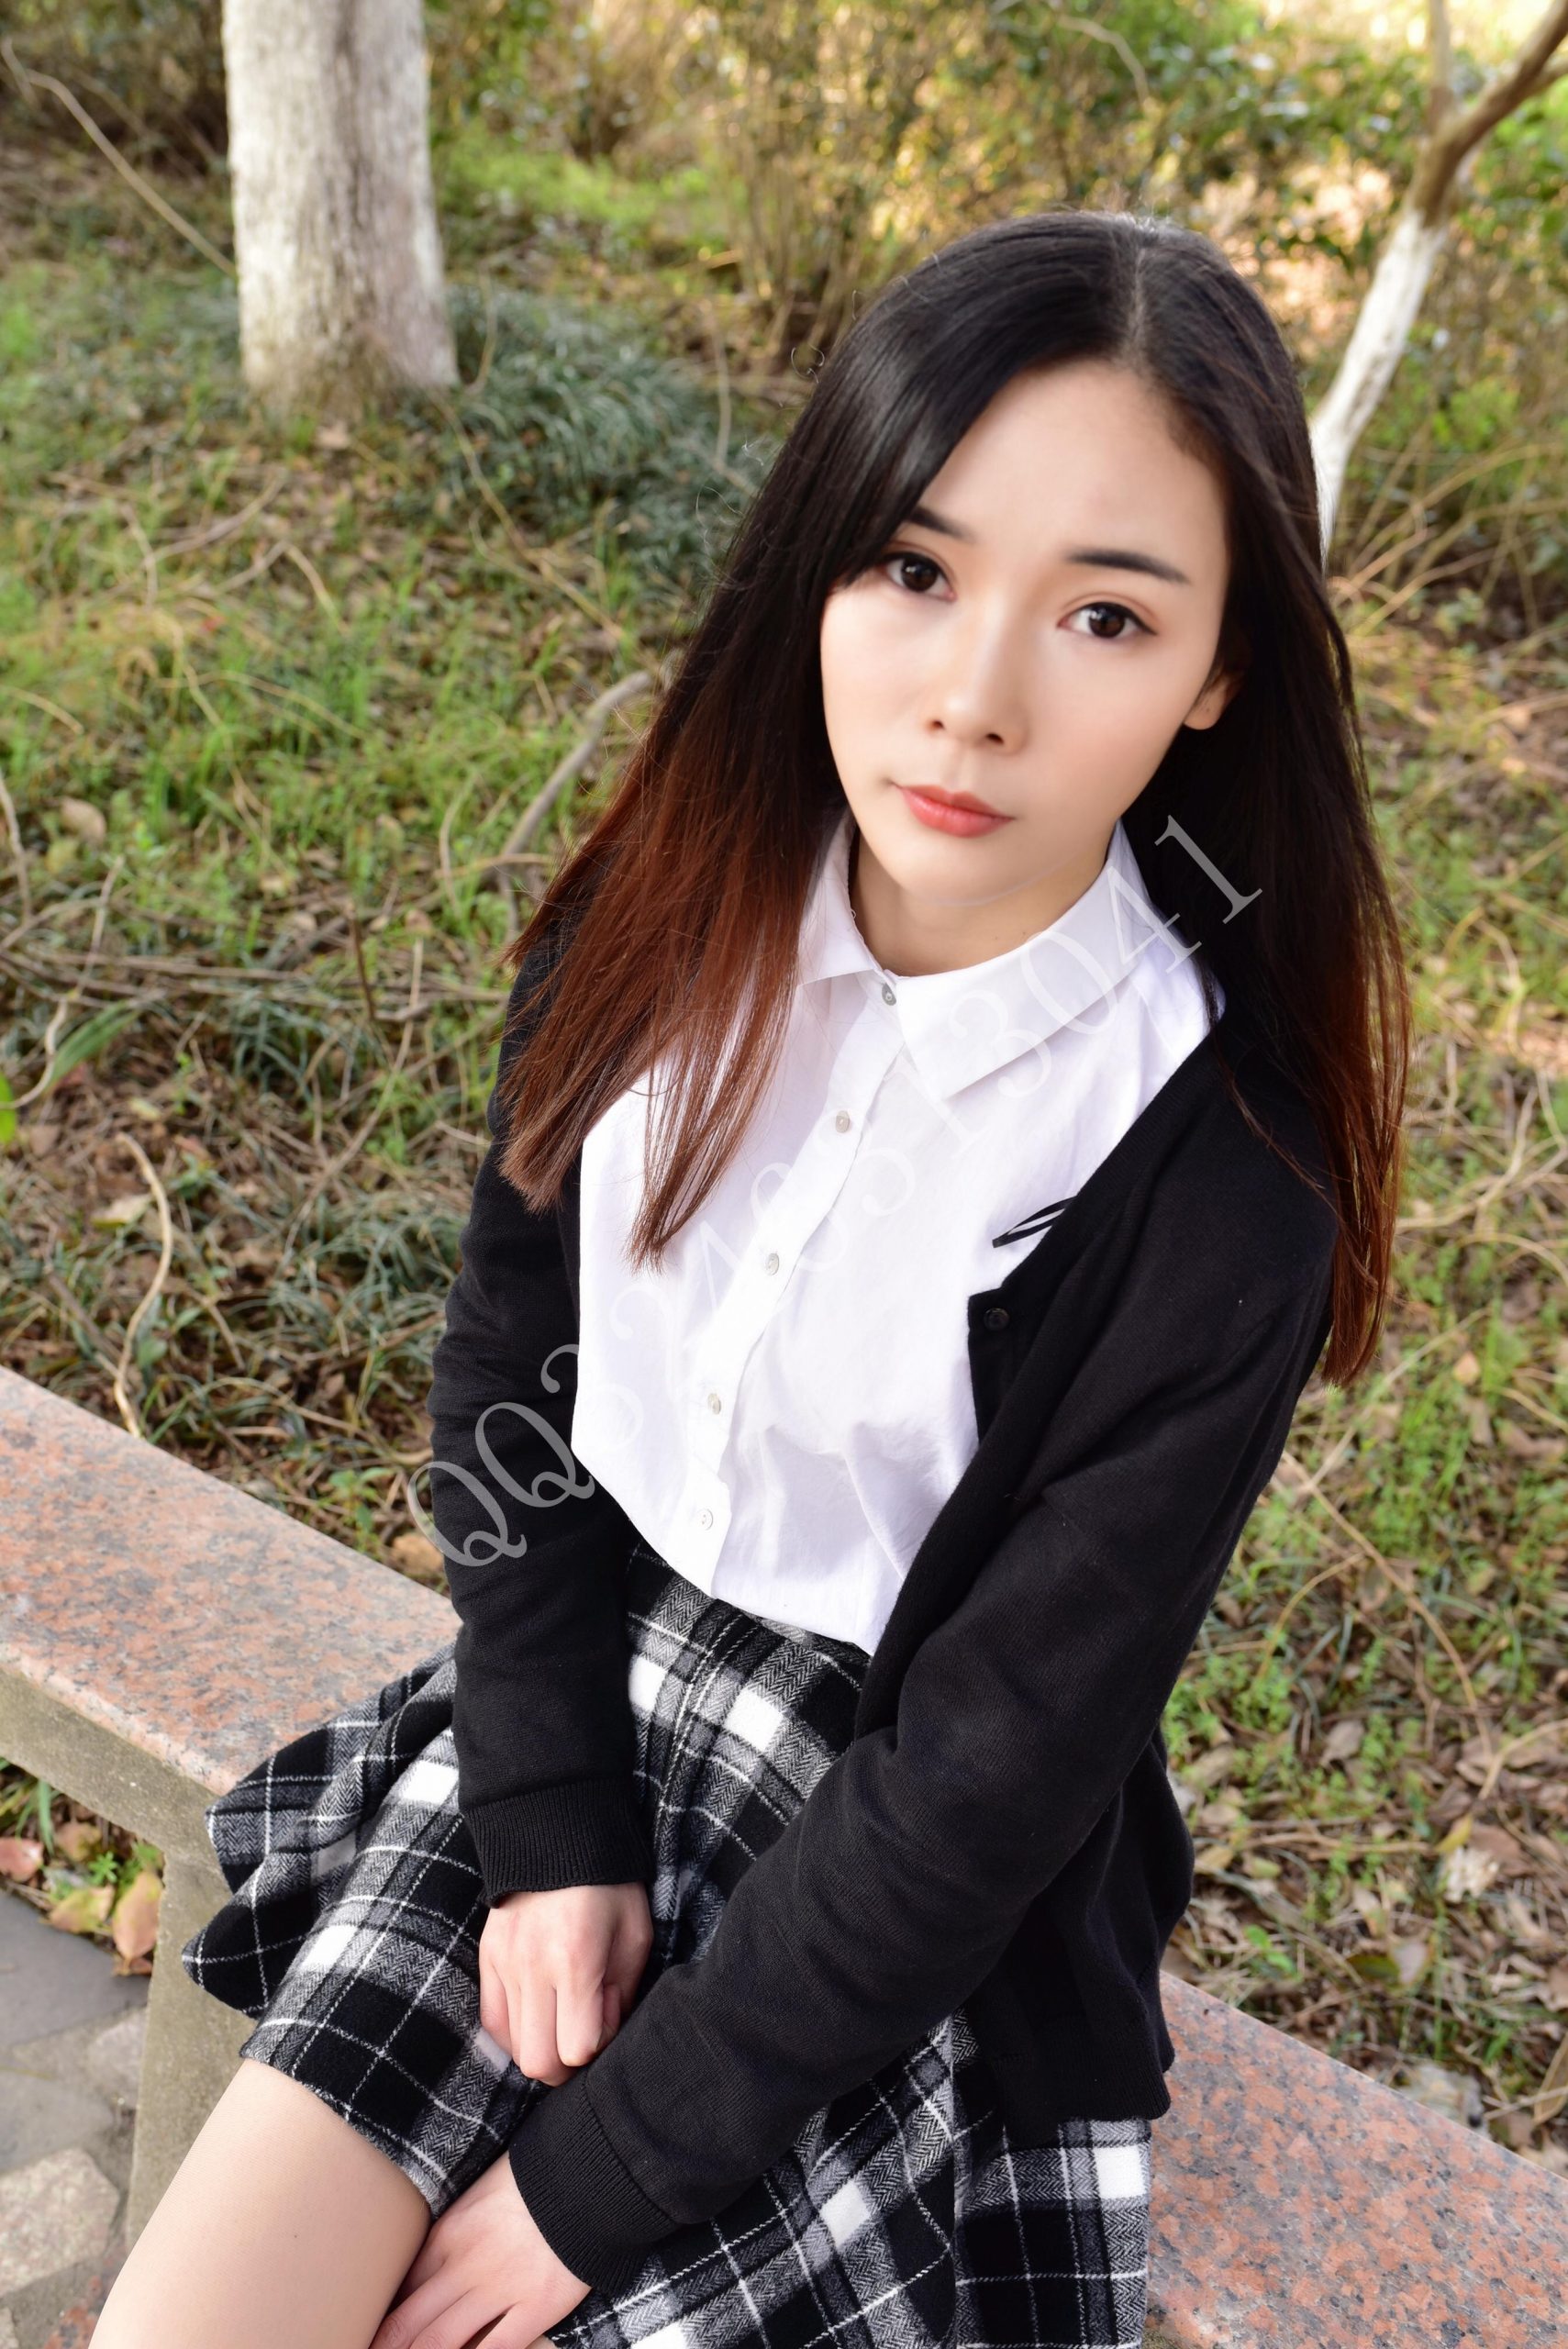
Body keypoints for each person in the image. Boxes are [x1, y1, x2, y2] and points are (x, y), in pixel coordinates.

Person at [95, 206, 1408, 2349]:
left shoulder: (1213, 1185)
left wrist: (599, 2178)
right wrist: (546, 1816)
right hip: (579, 1692)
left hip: (898, 1861)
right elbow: (512, 1364)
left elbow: (992, 1768)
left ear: (1221, 669)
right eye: (913, 568)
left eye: (1105, 614)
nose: (973, 699)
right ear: (817, 558)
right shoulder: (666, 905)